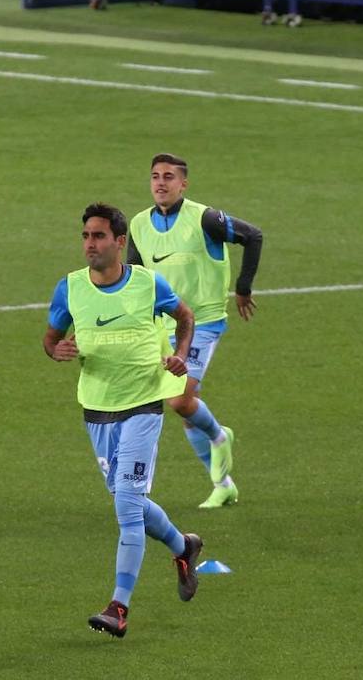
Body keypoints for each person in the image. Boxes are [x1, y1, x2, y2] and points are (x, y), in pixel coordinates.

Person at [44, 203, 204, 638]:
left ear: (119, 242)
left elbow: (185, 316)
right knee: (126, 497)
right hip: (97, 409)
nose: (90, 244)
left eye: (98, 236)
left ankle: (119, 606)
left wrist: (181, 356)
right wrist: (56, 352)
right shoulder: (70, 288)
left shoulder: (148, 284)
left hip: (144, 406)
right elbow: (51, 338)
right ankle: (183, 546)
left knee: (126, 507)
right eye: (85, 236)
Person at [126, 153, 263, 509]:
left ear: (183, 183)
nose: (160, 183)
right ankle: (223, 484)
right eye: (155, 176)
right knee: (186, 405)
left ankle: (219, 437)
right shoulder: (139, 224)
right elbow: (135, 279)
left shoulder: (204, 219)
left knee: (178, 398)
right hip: (161, 326)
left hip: (202, 322)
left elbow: (253, 236)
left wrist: (243, 288)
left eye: (169, 177)